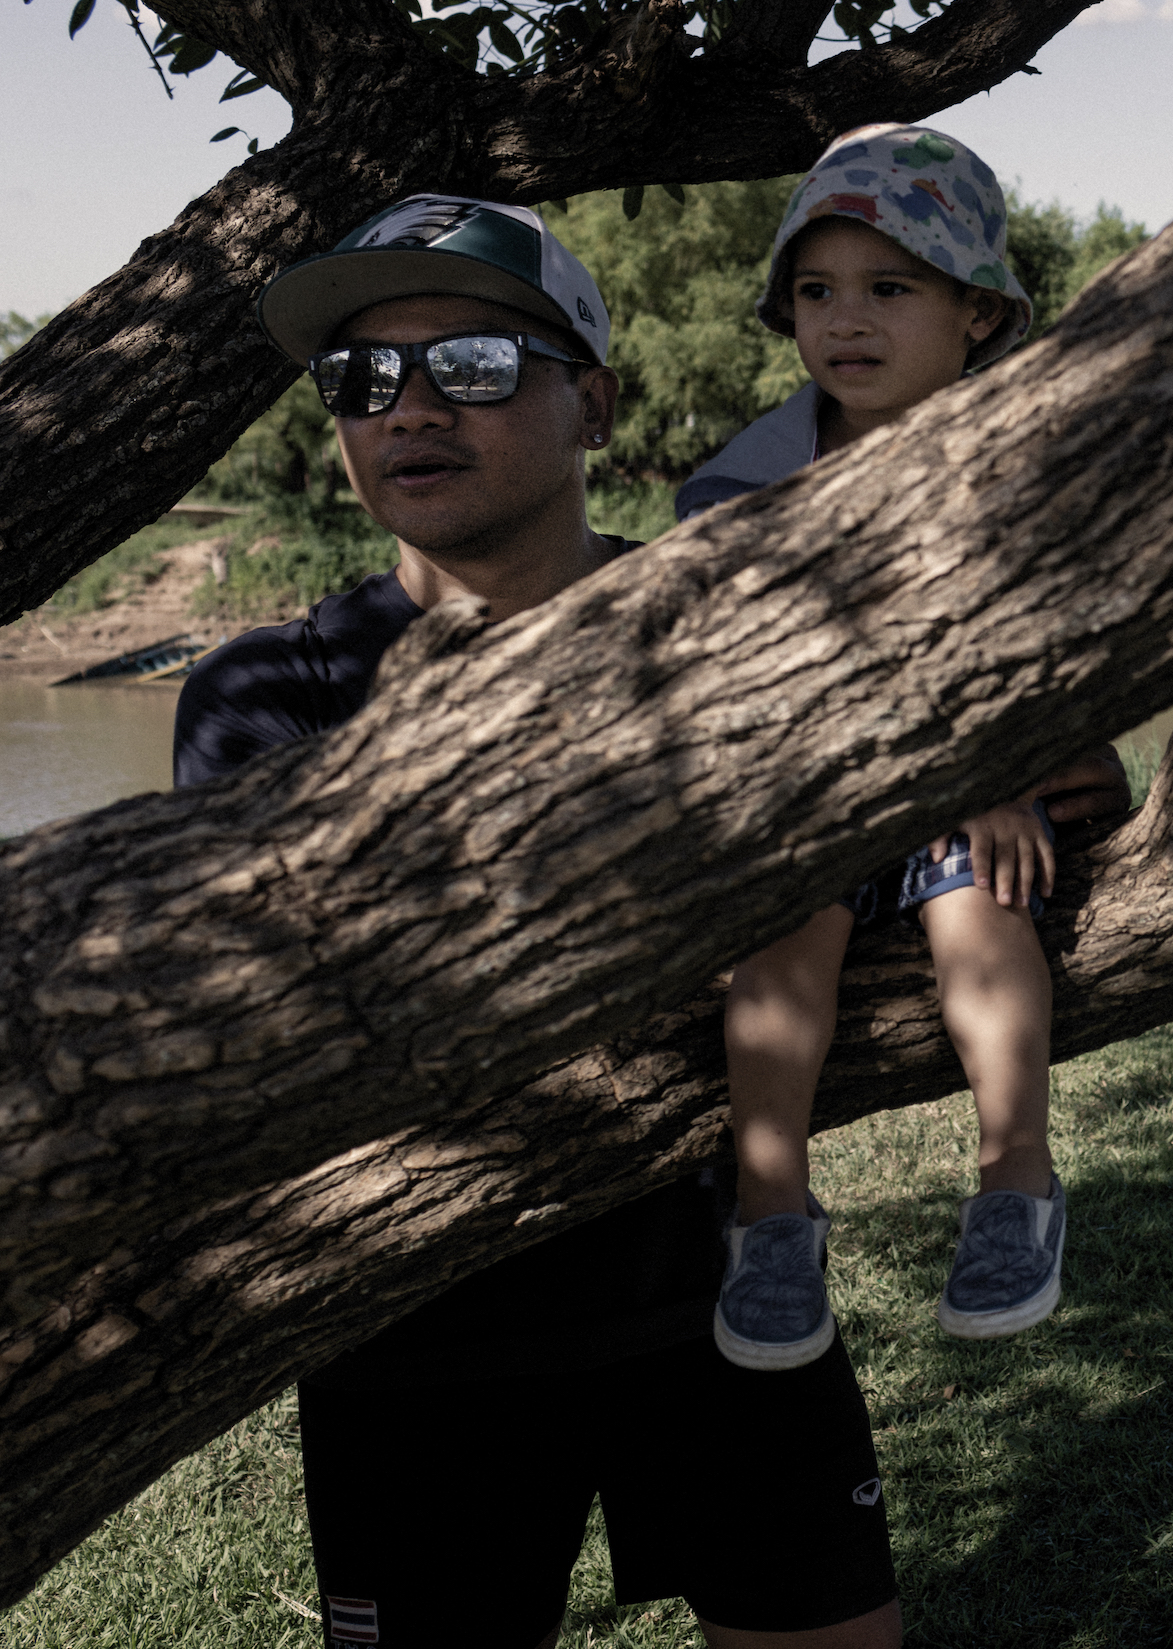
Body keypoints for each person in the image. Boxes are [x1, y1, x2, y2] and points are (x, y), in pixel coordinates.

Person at [177, 194, 900, 1647]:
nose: (411, 410)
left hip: (729, 1298)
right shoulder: (271, 695)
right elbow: (291, 1025)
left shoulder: (731, 621)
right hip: (407, 1335)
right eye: (363, 380)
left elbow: (870, 876)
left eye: (477, 366)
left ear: (593, 400)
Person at [670, 123, 1127, 1367]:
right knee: (779, 945)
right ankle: (771, 1210)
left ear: (976, 314)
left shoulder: (1023, 470)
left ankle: (1013, 1177)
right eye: (815, 291)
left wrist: (1013, 764)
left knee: (983, 920)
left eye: (888, 287)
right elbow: (747, 679)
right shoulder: (750, 487)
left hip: (970, 807)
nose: (845, 320)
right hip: (809, 798)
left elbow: (1054, 642)